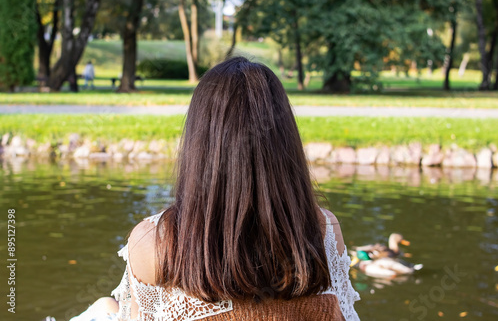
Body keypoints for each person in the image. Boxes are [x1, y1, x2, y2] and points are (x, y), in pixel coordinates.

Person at [70, 57, 360, 321]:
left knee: (104, 307)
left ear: (199, 146)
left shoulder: (152, 243)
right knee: (106, 306)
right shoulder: (323, 230)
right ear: (286, 142)